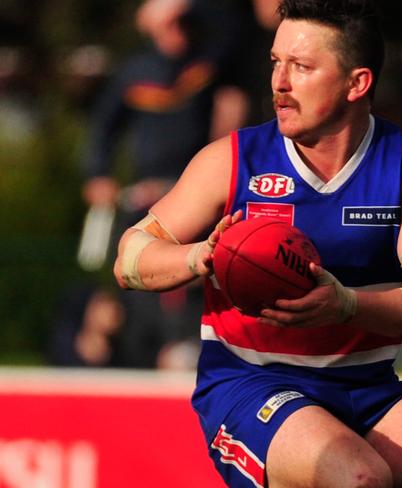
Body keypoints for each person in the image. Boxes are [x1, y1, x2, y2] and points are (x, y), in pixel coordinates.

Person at [113, 1, 402, 486]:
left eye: (301, 66)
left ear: (357, 83)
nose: (280, 82)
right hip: (254, 385)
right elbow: (130, 257)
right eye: (276, 62)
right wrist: (200, 256)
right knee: (357, 477)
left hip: (366, 388)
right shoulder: (232, 160)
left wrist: (346, 306)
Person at [79, 0, 249, 369]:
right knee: (134, 282)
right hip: (144, 201)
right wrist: (97, 174)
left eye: (182, 23)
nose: (176, 30)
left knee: (195, 282)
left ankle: (184, 351)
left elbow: (238, 30)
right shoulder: (134, 72)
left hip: (198, 202)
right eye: (168, 23)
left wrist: (188, 6)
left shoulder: (205, 64)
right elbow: (102, 129)